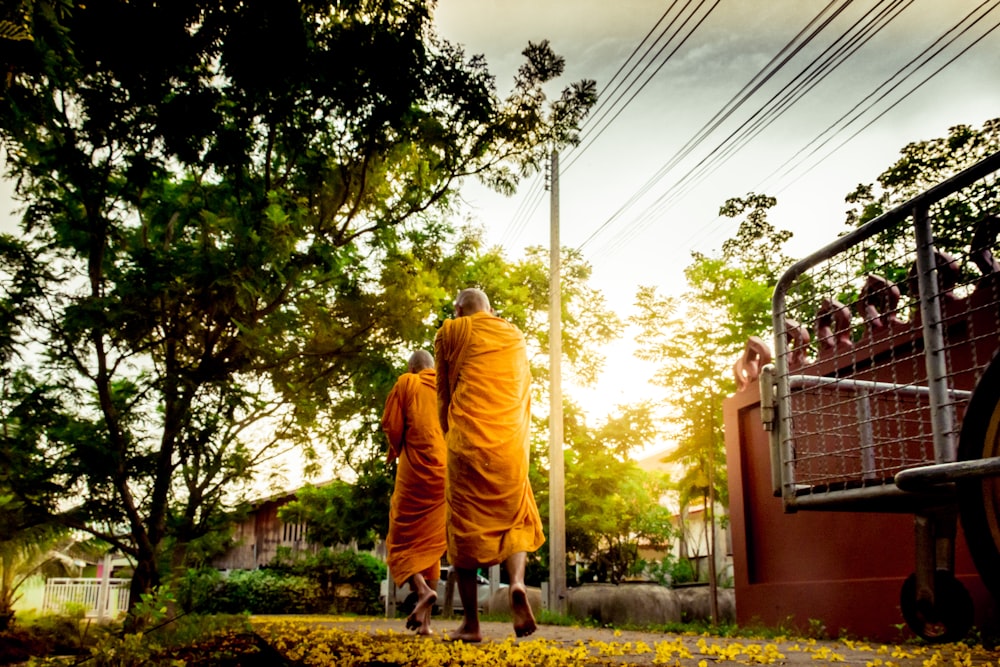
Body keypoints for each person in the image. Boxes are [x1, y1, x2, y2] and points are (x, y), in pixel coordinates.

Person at [434, 288, 545, 642]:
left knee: (463, 531)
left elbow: (443, 392)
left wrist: (448, 434)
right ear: (492, 310)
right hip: (510, 444)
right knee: (516, 516)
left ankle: (471, 624)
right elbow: (524, 390)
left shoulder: (451, 331)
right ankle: (516, 583)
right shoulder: (513, 334)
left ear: (458, 310)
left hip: (468, 440)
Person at [381, 349, 448, 636]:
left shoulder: (406, 383)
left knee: (400, 538)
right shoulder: (446, 387)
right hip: (444, 472)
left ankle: (421, 589)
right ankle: (426, 624)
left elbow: (393, 425)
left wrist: (394, 449)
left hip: (415, 469)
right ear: (432, 369)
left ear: (412, 369)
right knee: (430, 543)